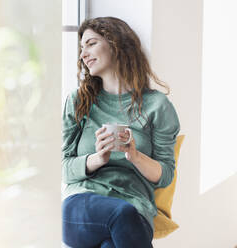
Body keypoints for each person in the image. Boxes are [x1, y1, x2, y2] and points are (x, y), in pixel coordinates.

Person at [62, 16, 180, 248]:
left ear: (116, 43)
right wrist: (97, 159)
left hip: (135, 206)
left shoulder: (157, 106)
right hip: (82, 204)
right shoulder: (79, 102)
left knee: (115, 237)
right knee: (121, 215)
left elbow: (165, 175)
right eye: (81, 48)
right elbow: (62, 167)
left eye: (91, 43)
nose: (83, 54)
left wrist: (134, 156)